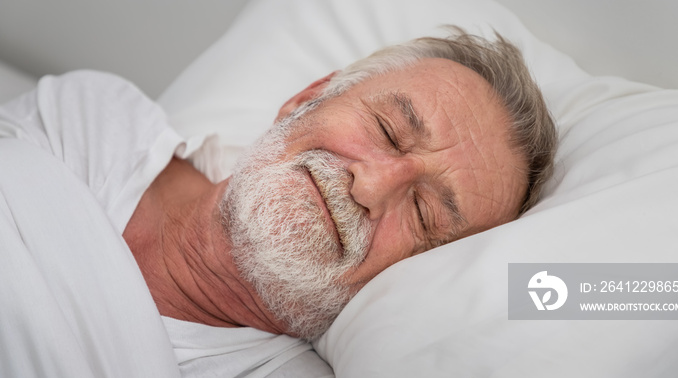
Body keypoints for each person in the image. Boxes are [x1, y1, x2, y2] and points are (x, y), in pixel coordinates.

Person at [0, 28, 556, 377]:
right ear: (309, 97)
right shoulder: (97, 120)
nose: (371, 186)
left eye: (424, 212)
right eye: (387, 131)